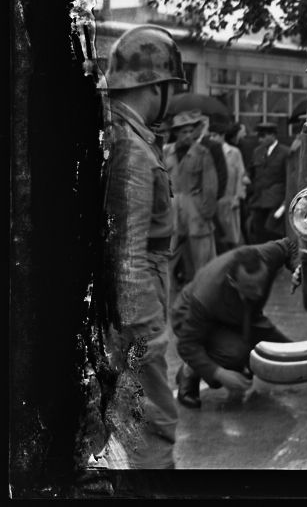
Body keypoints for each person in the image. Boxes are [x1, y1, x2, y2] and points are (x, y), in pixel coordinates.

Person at [99, 24, 188, 469]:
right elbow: (127, 255)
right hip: (138, 303)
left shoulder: (118, 134)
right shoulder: (130, 148)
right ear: (156, 87)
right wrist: (149, 333)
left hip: (126, 301)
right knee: (154, 423)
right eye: (171, 86)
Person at [171, 239, 300, 409]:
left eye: (261, 283)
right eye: (251, 287)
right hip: (190, 315)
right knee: (235, 353)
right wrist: (219, 373)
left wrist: (297, 267)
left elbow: (290, 244)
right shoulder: (207, 296)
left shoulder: (267, 255)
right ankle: (189, 372)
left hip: (242, 312)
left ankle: (233, 360)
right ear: (233, 282)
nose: (259, 291)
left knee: (286, 353)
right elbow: (187, 344)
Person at [165, 109, 219, 286]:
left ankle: (203, 294)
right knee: (167, 257)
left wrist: (207, 213)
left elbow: (210, 186)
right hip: (171, 210)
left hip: (195, 209)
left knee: (202, 258)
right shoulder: (166, 152)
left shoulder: (202, 153)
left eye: (190, 131)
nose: (188, 135)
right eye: (183, 132)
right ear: (175, 133)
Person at [247, 121, 290, 243]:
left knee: (273, 234)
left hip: (275, 201)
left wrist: (284, 203)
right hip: (258, 200)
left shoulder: (285, 152)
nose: (261, 139)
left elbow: (289, 179)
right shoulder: (257, 152)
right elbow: (251, 172)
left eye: (264, 136)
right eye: (259, 136)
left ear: (273, 135)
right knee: (257, 233)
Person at [208, 122, 246, 251]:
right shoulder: (209, 152)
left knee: (232, 235)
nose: (212, 139)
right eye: (210, 136)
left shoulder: (234, 152)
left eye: (215, 136)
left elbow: (240, 175)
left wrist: (237, 196)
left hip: (229, 199)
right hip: (214, 200)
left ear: (222, 136)